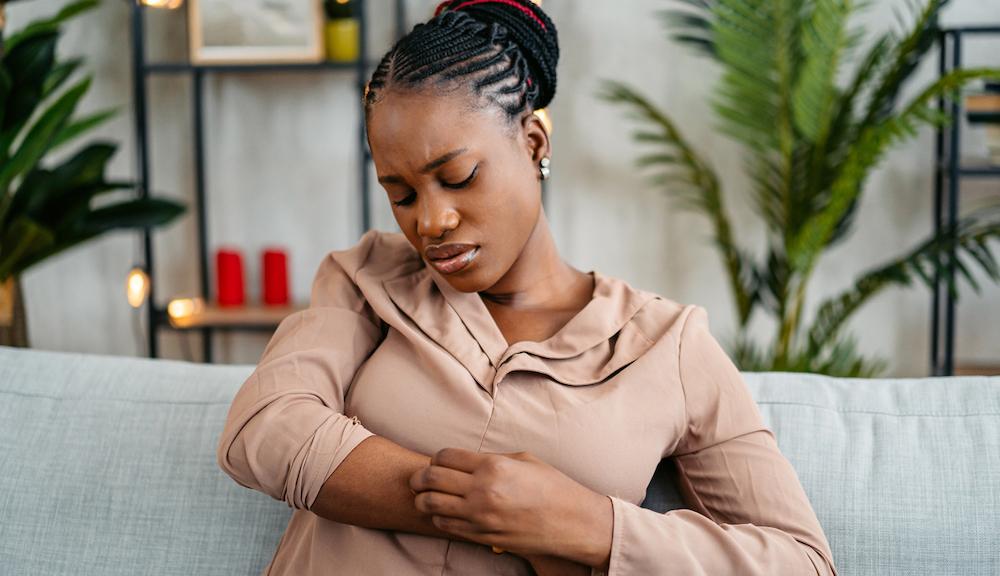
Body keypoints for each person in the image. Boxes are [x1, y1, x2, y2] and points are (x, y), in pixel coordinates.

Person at [216, 1, 839, 574]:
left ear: (533, 141)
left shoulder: (667, 344)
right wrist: (495, 513)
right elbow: (265, 431)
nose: (429, 222)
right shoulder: (366, 279)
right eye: (400, 194)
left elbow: (804, 562)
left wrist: (588, 525)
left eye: (457, 177)